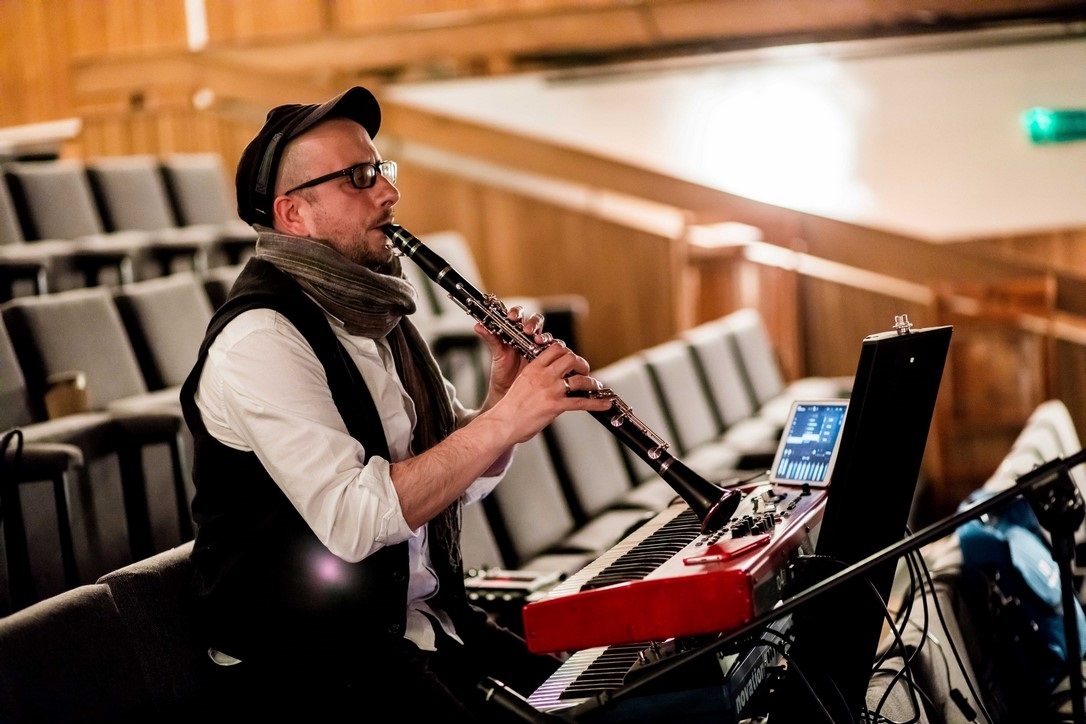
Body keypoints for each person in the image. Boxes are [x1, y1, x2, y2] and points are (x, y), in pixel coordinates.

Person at [179, 86, 613, 720]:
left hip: (415, 625)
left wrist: (501, 400)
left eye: (381, 169)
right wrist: (504, 421)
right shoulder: (261, 337)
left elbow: (447, 476)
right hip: (310, 667)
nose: (388, 191)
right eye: (359, 177)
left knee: (600, 703)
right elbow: (355, 520)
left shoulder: (374, 313)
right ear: (294, 214)